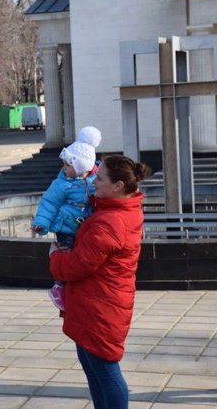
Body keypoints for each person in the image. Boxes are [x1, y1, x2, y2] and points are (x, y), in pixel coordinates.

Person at [49, 155, 150, 409]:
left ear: (118, 186)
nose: (94, 180)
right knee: (94, 368)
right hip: (94, 302)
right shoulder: (115, 209)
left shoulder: (111, 222)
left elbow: (77, 265)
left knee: (105, 370)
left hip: (101, 308)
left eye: (100, 178)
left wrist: (55, 256)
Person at [32, 126, 101, 311]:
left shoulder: (97, 180)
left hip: (87, 227)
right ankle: (59, 287)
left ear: (82, 167)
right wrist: (41, 223)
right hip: (67, 227)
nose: (64, 169)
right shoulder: (61, 183)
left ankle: (75, 287)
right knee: (65, 255)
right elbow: (49, 203)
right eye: (64, 164)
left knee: (83, 259)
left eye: (68, 165)